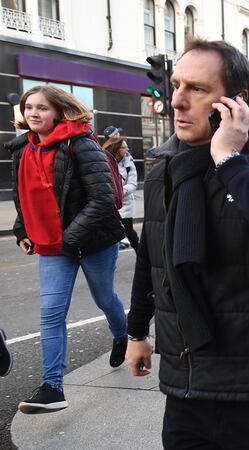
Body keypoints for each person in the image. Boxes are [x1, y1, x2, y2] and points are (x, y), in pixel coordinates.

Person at [124, 38, 249, 449]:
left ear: (238, 101)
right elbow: (152, 254)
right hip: (188, 389)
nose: (177, 101)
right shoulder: (166, 169)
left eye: (196, 89)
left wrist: (231, 163)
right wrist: (136, 331)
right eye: (176, 85)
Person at [7, 85, 128, 414]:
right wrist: (21, 229)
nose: (33, 113)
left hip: (92, 241)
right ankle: (53, 388)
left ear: (59, 111)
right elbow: (23, 194)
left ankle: (123, 334)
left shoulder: (81, 144)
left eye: (42, 108)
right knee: (50, 314)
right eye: (28, 107)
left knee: (104, 298)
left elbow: (104, 199)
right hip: (52, 246)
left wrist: (70, 236)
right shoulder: (22, 149)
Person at [102, 135, 139, 250]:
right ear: (116, 149)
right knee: (110, 234)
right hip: (109, 203)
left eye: (127, 147)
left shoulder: (129, 162)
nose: (127, 150)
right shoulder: (105, 160)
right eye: (124, 147)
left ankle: (141, 254)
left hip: (125, 203)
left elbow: (133, 183)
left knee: (129, 232)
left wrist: (121, 191)